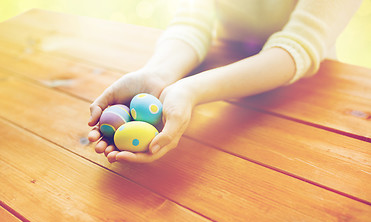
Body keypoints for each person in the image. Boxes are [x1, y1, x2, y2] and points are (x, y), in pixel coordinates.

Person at [88, 0, 361, 163]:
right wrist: (157, 75)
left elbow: (299, 46)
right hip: (222, 68)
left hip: (308, 97)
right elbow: (193, 22)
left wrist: (190, 89)